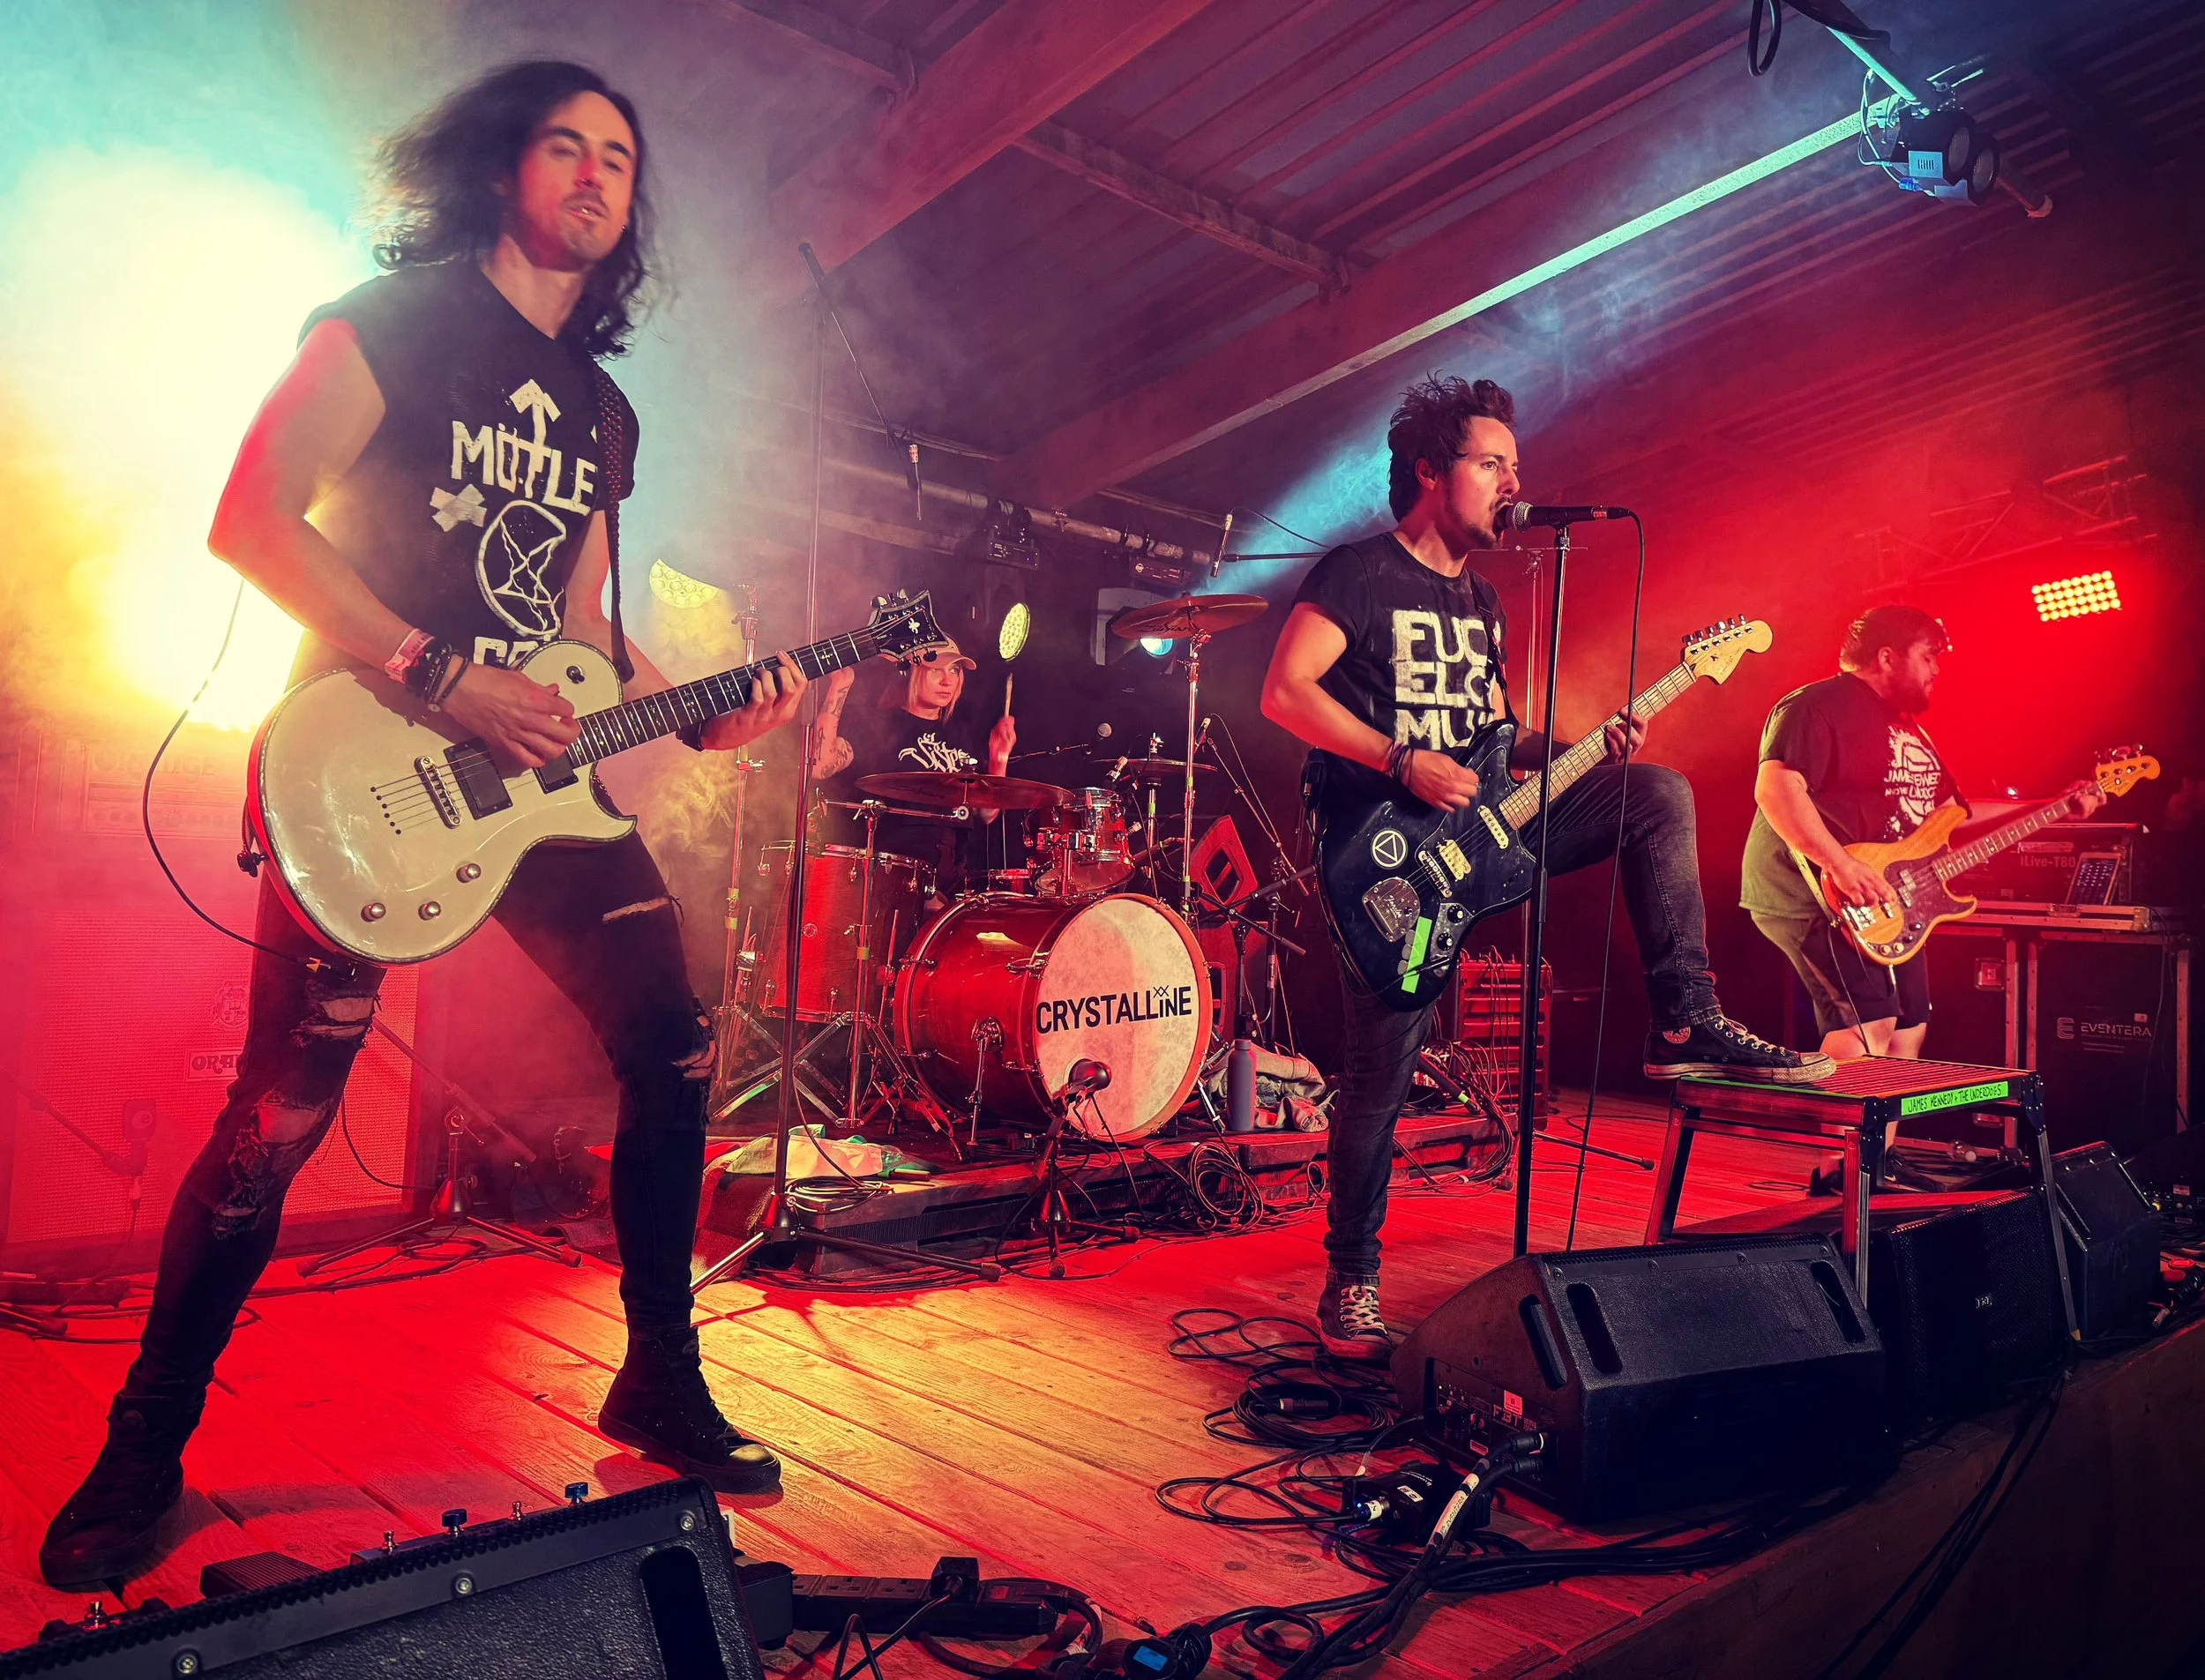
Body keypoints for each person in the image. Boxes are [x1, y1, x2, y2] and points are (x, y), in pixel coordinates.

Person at [41, 61, 811, 1591]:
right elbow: (248, 519)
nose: (598, 174)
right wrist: (438, 673)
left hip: (542, 781)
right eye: (567, 144)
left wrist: (708, 708)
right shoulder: (383, 327)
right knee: (278, 1117)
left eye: (620, 157)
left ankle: (658, 1367)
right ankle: (142, 1445)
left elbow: (583, 623)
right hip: (376, 761)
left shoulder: (603, 412)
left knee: (674, 1049)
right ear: (497, 167)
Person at [1259, 374, 1833, 1362]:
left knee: (1656, 791)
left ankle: (1684, 1010)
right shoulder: (1356, 574)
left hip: (1484, 830)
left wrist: (1574, 745)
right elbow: (1283, 693)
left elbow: (1488, 736)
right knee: (1378, 1082)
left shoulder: (1482, 599)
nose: (1512, 483)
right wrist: (1397, 759)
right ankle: (1350, 1277)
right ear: (1431, 473)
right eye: (1492, 464)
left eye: (1514, 467)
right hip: (1388, 866)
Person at [1742, 605, 2103, 1061]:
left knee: (1906, 1032)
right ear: (1888, 657)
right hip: (1818, 885)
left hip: (1893, 896)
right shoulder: (1817, 704)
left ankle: (1877, 1137)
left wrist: (2055, 807)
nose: (1937, 668)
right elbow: (1775, 787)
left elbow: (1953, 815)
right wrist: (1840, 863)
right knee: (1868, 1023)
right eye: (1928, 655)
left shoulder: (1910, 729)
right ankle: (1827, 1134)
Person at [811, 637, 1017, 897]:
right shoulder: (880, 726)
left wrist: (1000, 759)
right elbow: (821, 766)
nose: (947, 680)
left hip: (952, 881)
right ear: (911, 671)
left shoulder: (963, 734)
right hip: (891, 878)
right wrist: (840, 685)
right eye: (935, 670)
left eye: (954, 670)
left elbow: (986, 814)